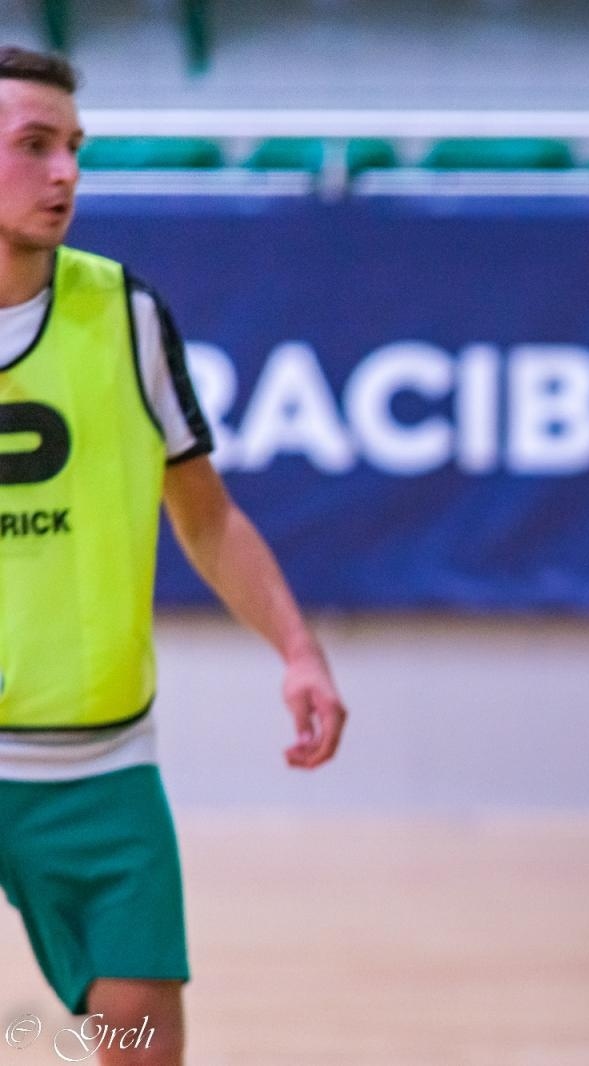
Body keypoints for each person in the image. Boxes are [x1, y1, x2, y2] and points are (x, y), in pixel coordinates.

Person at [0, 46, 347, 1065]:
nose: (65, 172)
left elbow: (206, 515)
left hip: (98, 766)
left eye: (74, 148)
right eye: (33, 146)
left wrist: (297, 649)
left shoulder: (128, 313)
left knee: (138, 1045)